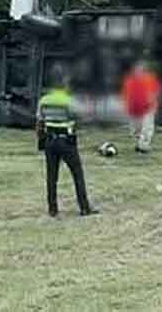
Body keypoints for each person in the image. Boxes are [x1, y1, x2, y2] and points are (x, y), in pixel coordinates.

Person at [36, 63, 97, 217]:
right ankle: (84, 208)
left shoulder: (44, 100)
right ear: (64, 82)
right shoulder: (69, 101)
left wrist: (41, 140)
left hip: (50, 141)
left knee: (51, 177)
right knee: (77, 174)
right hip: (67, 142)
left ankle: (52, 209)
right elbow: (82, 118)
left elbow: (39, 123)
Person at [122, 59, 162, 154]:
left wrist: (152, 98)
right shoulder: (129, 81)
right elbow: (126, 94)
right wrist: (127, 105)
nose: (138, 71)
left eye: (140, 69)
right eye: (136, 69)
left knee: (146, 127)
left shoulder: (150, 79)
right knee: (136, 129)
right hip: (134, 109)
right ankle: (139, 144)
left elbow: (156, 90)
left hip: (147, 108)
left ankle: (144, 145)